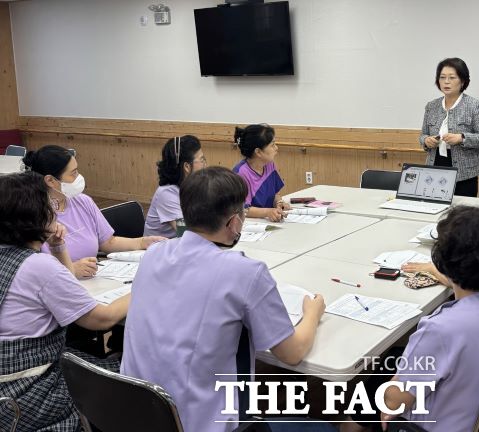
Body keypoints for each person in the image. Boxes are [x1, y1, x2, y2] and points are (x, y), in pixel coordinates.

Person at [121, 167, 332, 432]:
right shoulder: (245, 273)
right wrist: (313, 312)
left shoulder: (154, 255)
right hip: (199, 423)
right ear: (234, 223)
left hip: (135, 415)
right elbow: (292, 354)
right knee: (327, 426)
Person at [346, 206, 479, 432]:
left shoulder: (441, 330)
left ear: (442, 262)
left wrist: (397, 383)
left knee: (370, 388)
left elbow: (393, 403)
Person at [0, 172, 129, 432]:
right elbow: (99, 319)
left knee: (110, 362)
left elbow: (66, 290)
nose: (56, 210)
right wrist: (143, 288)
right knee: (126, 382)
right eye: (50, 205)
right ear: (35, 214)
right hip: (27, 390)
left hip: (10, 379)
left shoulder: (12, 256)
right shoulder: (37, 266)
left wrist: (58, 247)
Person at [23, 145, 166, 279]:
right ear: (50, 181)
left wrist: (142, 242)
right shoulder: (32, 215)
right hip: (57, 286)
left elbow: (107, 242)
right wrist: (71, 269)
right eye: (73, 174)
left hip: (92, 281)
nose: (79, 177)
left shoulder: (83, 201)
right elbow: (29, 270)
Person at [419, 57, 479, 197]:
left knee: (461, 214)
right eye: (442, 77)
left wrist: (462, 138)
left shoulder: (474, 106)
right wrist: (426, 140)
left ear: (463, 81)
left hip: (464, 173)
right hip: (435, 167)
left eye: (452, 77)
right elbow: (423, 135)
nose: (446, 82)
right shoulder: (431, 106)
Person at [144, 135, 207, 238]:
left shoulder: (192, 185)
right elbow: (185, 233)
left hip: (177, 247)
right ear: (187, 167)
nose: (205, 164)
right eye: (202, 159)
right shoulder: (166, 194)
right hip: (157, 250)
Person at [233, 124, 291, 222]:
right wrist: (268, 212)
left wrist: (279, 203)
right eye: (272, 145)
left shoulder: (269, 165)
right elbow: (243, 209)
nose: (276, 148)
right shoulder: (241, 173)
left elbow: (274, 195)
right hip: (249, 226)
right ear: (258, 152)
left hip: (268, 222)